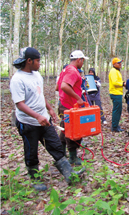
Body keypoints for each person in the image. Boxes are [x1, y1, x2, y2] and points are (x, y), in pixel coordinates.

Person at [10, 47, 83, 191]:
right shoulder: (17, 79)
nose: (40, 64)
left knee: (55, 144)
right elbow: (20, 104)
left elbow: (39, 95)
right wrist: (36, 116)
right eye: (37, 61)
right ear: (29, 61)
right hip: (28, 122)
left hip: (44, 119)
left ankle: (69, 173)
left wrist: (49, 108)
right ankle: (35, 178)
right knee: (31, 151)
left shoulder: (37, 76)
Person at [57, 50, 88, 165]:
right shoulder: (73, 71)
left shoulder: (65, 70)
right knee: (72, 131)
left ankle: (61, 152)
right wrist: (77, 97)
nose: (83, 63)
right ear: (79, 60)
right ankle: (73, 157)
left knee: (65, 128)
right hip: (69, 106)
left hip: (63, 104)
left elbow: (58, 87)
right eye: (83, 60)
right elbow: (64, 86)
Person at [108, 57, 126, 132]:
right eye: (118, 63)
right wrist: (123, 83)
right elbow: (115, 82)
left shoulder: (117, 71)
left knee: (118, 110)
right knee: (116, 110)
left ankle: (116, 125)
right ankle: (114, 126)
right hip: (115, 93)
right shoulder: (113, 71)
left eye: (120, 63)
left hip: (118, 93)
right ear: (114, 64)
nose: (120, 64)